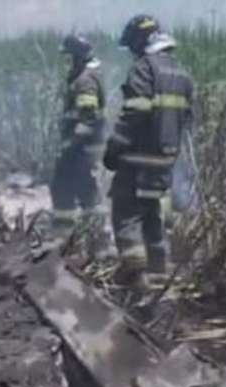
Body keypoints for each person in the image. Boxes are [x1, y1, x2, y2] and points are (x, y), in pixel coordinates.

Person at [104, 15, 193, 290]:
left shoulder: (144, 68)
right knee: (152, 213)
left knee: (126, 213)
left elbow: (135, 113)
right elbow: (188, 122)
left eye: (132, 45)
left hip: (138, 157)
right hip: (165, 160)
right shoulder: (181, 73)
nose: (132, 52)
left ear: (141, 41)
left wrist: (114, 148)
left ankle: (136, 277)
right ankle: (158, 276)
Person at [50, 33, 111, 257]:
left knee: (70, 189)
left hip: (82, 147)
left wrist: (71, 144)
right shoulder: (84, 76)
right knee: (81, 191)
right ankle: (89, 238)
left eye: (69, 57)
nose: (68, 61)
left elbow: (88, 117)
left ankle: (71, 237)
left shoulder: (85, 80)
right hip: (83, 146)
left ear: (77, 56)